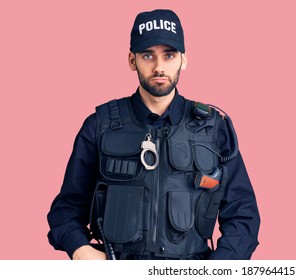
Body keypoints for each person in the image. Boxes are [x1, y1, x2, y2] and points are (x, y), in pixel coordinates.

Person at [47, 9, 260, 260]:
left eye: (169, 55)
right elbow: (66, 209)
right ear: (131, 60)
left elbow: (243, 214)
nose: (159, 67)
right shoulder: (99, 125)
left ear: (183, 60)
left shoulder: (214, 128)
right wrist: (80, 249)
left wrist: (218, 268)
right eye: (148, 55)